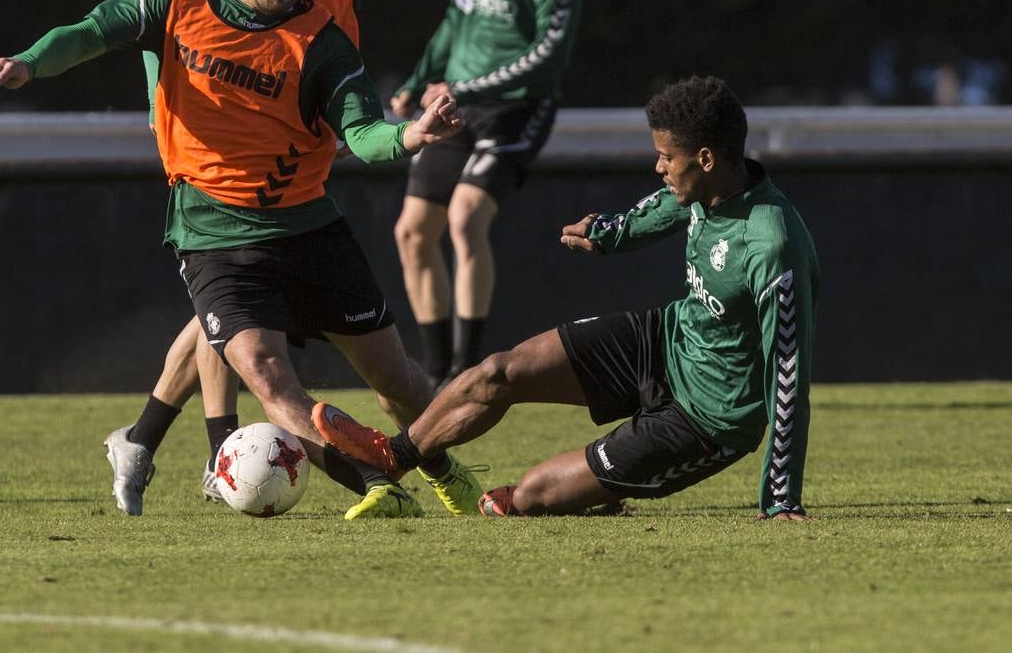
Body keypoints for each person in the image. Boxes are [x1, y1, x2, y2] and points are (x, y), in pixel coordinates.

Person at [0, 0, 484, 520]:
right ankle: (378, 488)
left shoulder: (322, 43)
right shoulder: (178, 2)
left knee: (398, 383)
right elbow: (94, 28)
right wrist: (31, 62)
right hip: (214, 235)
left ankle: (446, 469)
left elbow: (365, 135)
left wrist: (413, 134)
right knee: (270, 378)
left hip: (308, 229)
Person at [314, 76, 820, 520]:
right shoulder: (706, 190)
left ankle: (577, 492)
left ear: (706, 159)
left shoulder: (770, 245)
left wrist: (781, 498)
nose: (658, 167)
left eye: (666, 156)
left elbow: (788, 378)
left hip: (710, 418)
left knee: (528, 497)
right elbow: (663, 209)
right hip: (666, 341)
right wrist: (607, 233)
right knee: (499, 371)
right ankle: (394, 457)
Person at [121, 0, 375, 513]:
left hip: (302, 139)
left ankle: (144, 437)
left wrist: (352, 110)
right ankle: (217, 448)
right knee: (232, 298)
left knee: (229, 304)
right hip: (215, 139)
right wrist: (160, 116)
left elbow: (340, 32)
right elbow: (157, 18)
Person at [391, 0, 584, 387]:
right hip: (458, 101)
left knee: (465, 217)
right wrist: (417, 81)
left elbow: (548, 54)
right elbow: (457, 21)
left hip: (516, 109)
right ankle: (433, 372)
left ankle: (465, 366)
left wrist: (465, 88)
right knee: (412, 232)